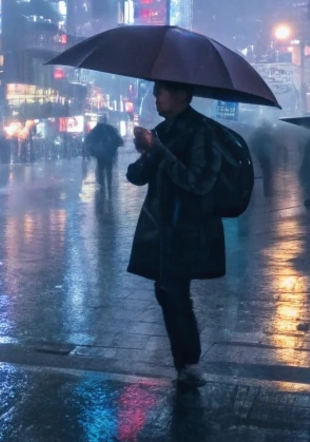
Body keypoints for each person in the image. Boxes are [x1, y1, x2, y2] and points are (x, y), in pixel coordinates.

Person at [126, 81, 227, 391]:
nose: (155, 97)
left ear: (181, 95)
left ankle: (189, 363)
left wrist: (158, 151)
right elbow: (136, 176)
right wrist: (146, 151)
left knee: (174, 291)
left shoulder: (201, 132)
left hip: (188, 229)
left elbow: (198, 181)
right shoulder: (163, 132)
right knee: (167, 291)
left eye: (161, 91)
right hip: (161, 228)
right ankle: (183, 364)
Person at [84, 119, 123, 192]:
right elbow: (120, 141)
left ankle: (102, 188)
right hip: (109, 156)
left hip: (100, 156)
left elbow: (88, 140)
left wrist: (93, 151)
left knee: (101, 171)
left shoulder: (97, 130)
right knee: (108, 172)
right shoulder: (111, 129)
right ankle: (109, 187)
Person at [249, 123, 276, 198]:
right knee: (267, 173)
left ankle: (268, 191)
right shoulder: (262, 133)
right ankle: (268, 192)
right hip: (263, 156)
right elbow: (272, 138)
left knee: (266, 173)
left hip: (259, 155)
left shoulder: (257, 133)